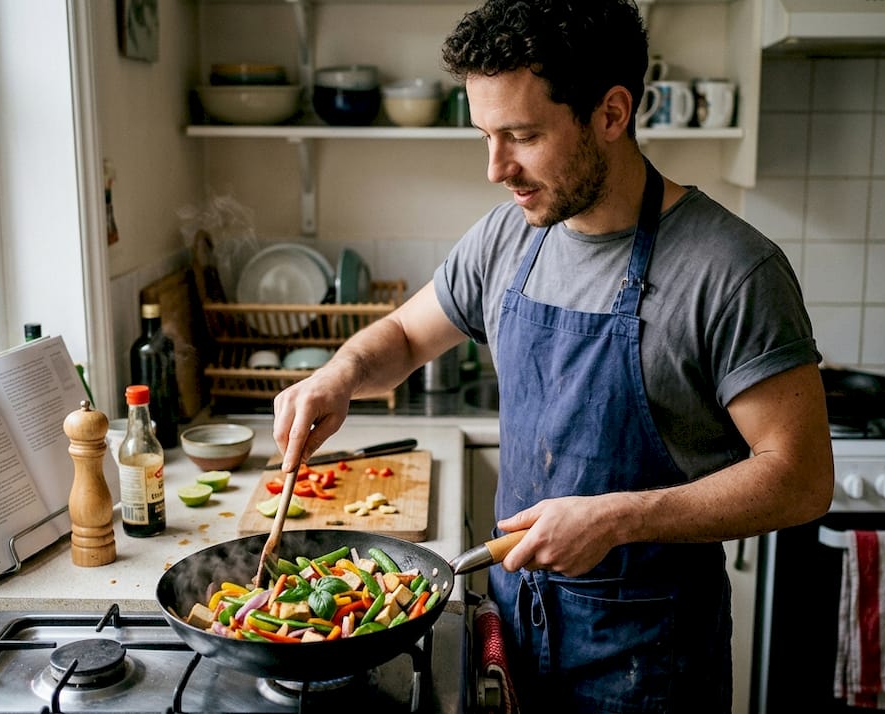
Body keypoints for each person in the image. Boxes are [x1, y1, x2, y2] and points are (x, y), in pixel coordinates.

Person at [273, 0, 834, 710]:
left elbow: (802, 478)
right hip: (512, 631)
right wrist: (340, 374)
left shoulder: (732, 271)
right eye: (485, 135)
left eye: (522, 135)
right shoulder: (508, 237)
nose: (495, 167)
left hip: (650, 657)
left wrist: (619, 518)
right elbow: (409, 336)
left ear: (611, 113)